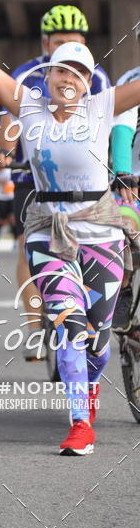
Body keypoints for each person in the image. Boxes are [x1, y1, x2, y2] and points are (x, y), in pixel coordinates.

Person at [0, 0, 140, 456]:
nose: (69, 78)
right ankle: (80, 423)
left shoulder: (102, 105)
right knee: (68, 324)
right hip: (47, 228)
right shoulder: (29, 106)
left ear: (89, 79)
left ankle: (90, 388)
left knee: (99, 338)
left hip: (101, 228)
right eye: (61, 69)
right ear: (48, 73)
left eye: (78, 71)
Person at [0, 6, 110, 359]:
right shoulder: (26, 74)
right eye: (59, 42)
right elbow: (9, 120)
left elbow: (108, 122)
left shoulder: (98, 77)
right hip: (32, 176)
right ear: (46, 43)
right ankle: (35, 327)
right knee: (26, 245)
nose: (66, 48)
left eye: (74, 42)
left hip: (81, 179)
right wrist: (7, 150)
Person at [110, 21, 140, 331]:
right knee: (125, 221)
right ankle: (124, 287)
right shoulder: (132, 80)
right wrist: (122, 171)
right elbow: (122, 126)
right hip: (133, 183)